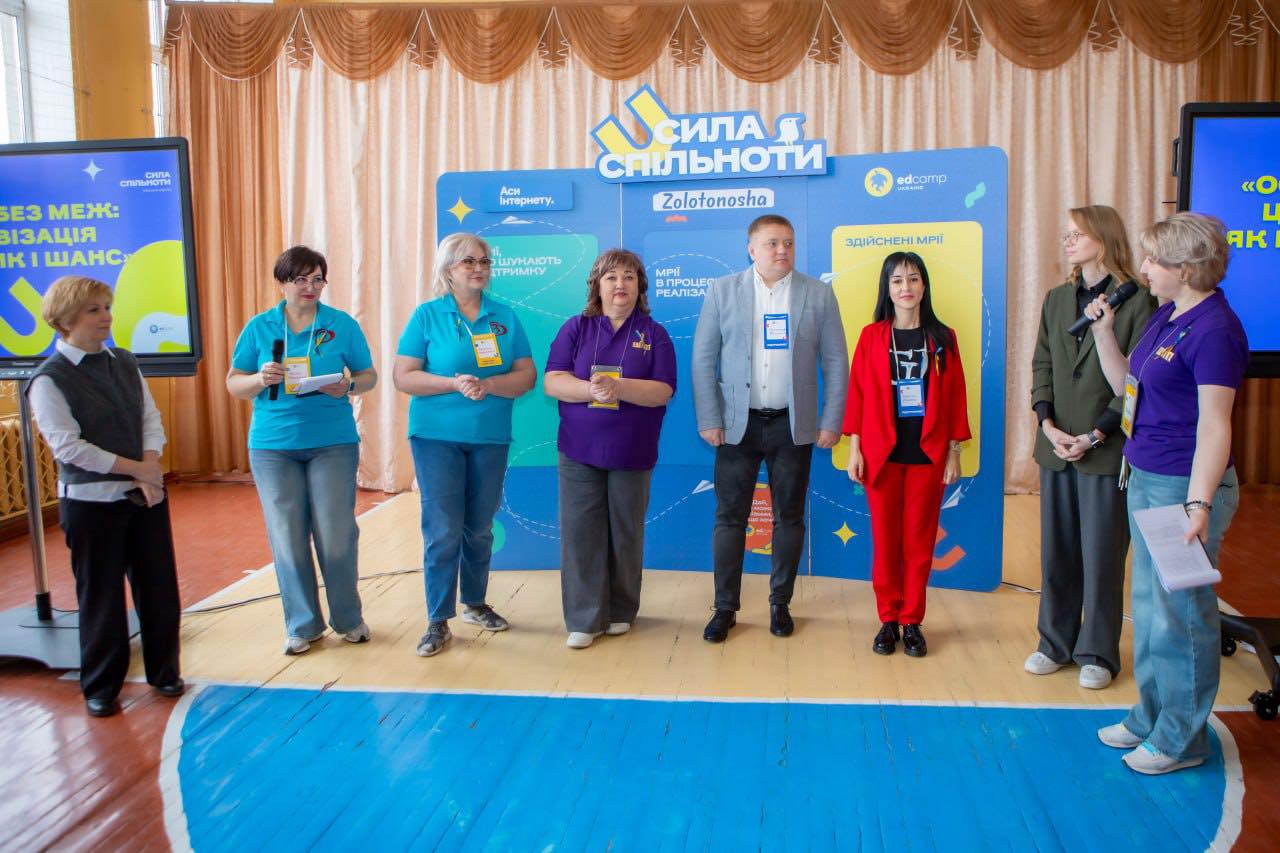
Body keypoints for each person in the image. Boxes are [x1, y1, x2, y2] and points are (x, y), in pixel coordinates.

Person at [1086, 212, 1246, 775]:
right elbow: (1127, 385)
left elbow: (1216, 427)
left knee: (1183, 616)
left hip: (1183, 485)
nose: (1145, 268)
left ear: (1187, 268)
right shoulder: (1166, 314)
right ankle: (1150, 716)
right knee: (1152, 610)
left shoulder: (1215, 330)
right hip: (1145, 475)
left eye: (1155, 260)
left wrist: (1199, 504)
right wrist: (1104, 332)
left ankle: (1182, 739)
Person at [28, 275, 183, 717]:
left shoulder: (125, 361)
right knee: (101, 598)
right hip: (91, 503)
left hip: (143, 494)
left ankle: (164, 672)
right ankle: (101, 686)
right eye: (94, 310)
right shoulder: (49, 379)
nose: (106, 317)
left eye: (107, 307)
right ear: (65, 320)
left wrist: (149, 465)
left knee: (159, 589)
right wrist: (138, 469)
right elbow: (69, 448)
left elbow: (149, 418)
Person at [691, 214, 848, 642]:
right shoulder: (722, 291)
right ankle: (725, 607)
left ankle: (781, 603)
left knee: (789, 518)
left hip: (792, 426)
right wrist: (710, 418)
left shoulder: (818, 294)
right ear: (752, 249)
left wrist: (831, 420)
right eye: (773, 243)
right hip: (736, 427)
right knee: (729, 518)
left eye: (789, 243)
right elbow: (703, 358)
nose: (783, 250)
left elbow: (837, 362)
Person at [227, 245, 378, 655]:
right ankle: (302, 625)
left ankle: (348, 618)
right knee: (287, 536)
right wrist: (259, 379)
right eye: (300, 279)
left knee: (336, 533)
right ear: (282, 282)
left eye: (317, 279)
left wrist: (347, 385)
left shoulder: (341, 325)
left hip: (332, 442)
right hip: (273, 446)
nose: (310, 287)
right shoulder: (260, 327)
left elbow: (368, 376)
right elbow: (234, 382)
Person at [1026, 206, 1154, 689]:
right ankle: (1053, 644)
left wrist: (1097, 433)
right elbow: (1042, 363)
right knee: (1057, 554)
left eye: (1077, 233)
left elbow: (1138, 380)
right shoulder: (1057, 298)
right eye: (1066, 234)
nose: (1068, 240)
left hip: (1105, 447)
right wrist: (1047, 424)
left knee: (1101, 556)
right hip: (1057, 447)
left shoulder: (1138, 300)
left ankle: (1098, 651)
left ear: (1104, 238)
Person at [394, 232, 536, 657]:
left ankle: (475, 603)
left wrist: (489, 385)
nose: (478, 268)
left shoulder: (504, 316)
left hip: (489, 436)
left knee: (479, 526)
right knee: (442, 529)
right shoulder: (427, 315)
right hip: (436, 436)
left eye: (484, 261)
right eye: (468, 261)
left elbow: (526, 376)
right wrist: (453, 383)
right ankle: (438, 620)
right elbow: (404, 376)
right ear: (448, 269)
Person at [544, 249, 676, 649]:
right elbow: (552, 381)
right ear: (597, 286)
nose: (621, 285)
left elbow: (663, 391)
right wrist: (592, 390)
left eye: (629, 277)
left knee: (625, 533)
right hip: (578, 450)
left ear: (640, 287)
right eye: (611, 277)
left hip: (632, 451)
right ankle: (584, 619)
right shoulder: (576, 328)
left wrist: (620, 387)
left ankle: (621, 610)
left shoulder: (654, 334)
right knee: (580, 534)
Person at [842, 252, 970, 658]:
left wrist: (953, 451)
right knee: (885, 544)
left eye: (913, 279)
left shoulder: (943, 338)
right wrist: (855, 449)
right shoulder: (872, 336)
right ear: (888, 288)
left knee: (918, 543)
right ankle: (888, 619)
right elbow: (858, 394)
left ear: (924, 286)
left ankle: (912, 620)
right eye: (897, 280)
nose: (906, 287)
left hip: (927, 455)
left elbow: (956, 396)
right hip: (881, 455)